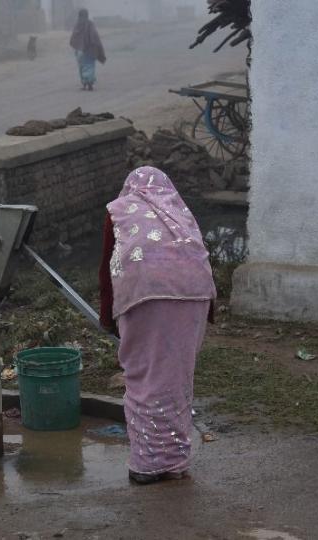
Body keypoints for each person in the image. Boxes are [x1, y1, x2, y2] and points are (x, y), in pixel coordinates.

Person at [98, 166, 216, 485]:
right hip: (194, 298)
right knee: (177, 379)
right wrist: (208, 313)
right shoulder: (180, 211)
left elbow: (108, 268)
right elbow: (199, 259)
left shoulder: (120, 211)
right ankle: (174, 460)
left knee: (143, 377)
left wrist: (108, 318)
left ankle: (148, 464)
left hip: (144, 298)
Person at [69, 8, 106, 91]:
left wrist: (77, 47)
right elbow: (95, 37)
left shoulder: (77, 25)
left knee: (82, 68)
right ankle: (90, 85)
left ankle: (85, 84)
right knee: (89, 67)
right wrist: (98, 48)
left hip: (79, 51)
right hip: (89, 50)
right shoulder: (90, 24)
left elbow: (73, 38)